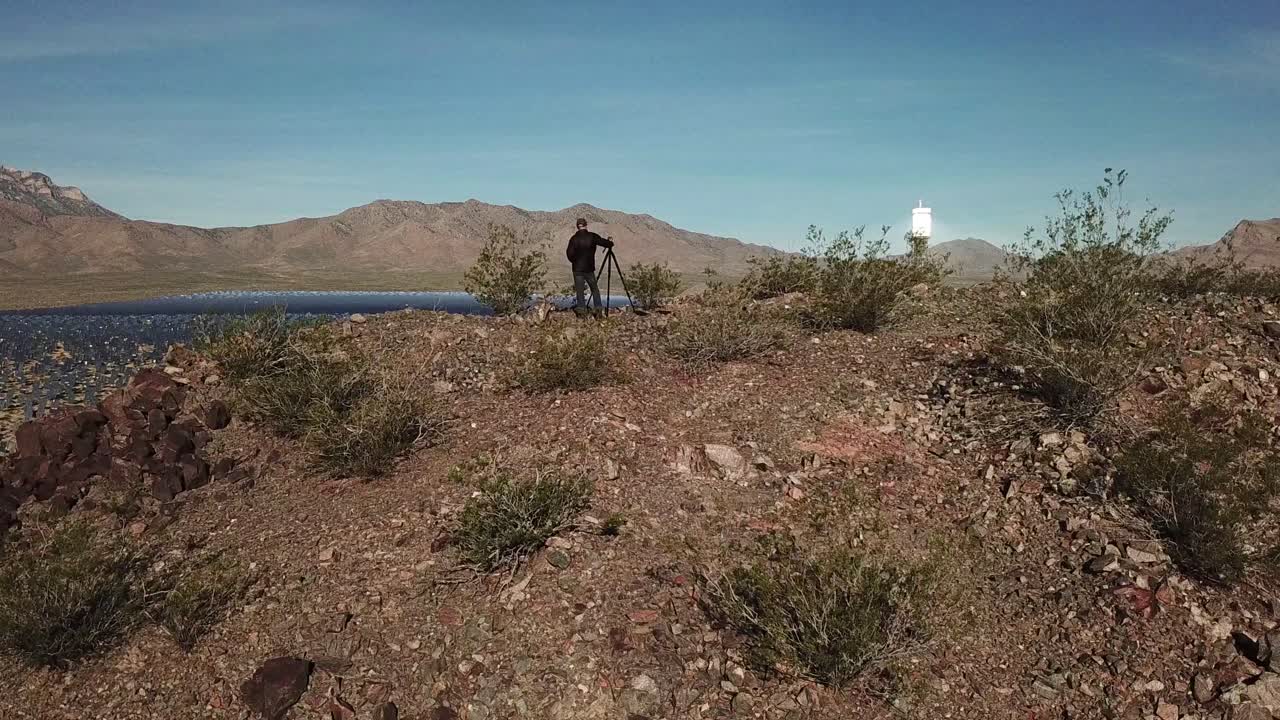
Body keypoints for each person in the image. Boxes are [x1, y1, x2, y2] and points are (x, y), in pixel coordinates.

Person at [565, 217, 614, 316]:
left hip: (577, 269)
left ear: (577, 226)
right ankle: (598, 311)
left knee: (579, 292)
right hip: (589, 269)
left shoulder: (573, 239)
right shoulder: (592, 236)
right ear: (586, 225)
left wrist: (575, 262)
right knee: (594, 289)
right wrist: (610, 243)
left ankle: (582, 313)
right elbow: (604, 243)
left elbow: (569, 254)